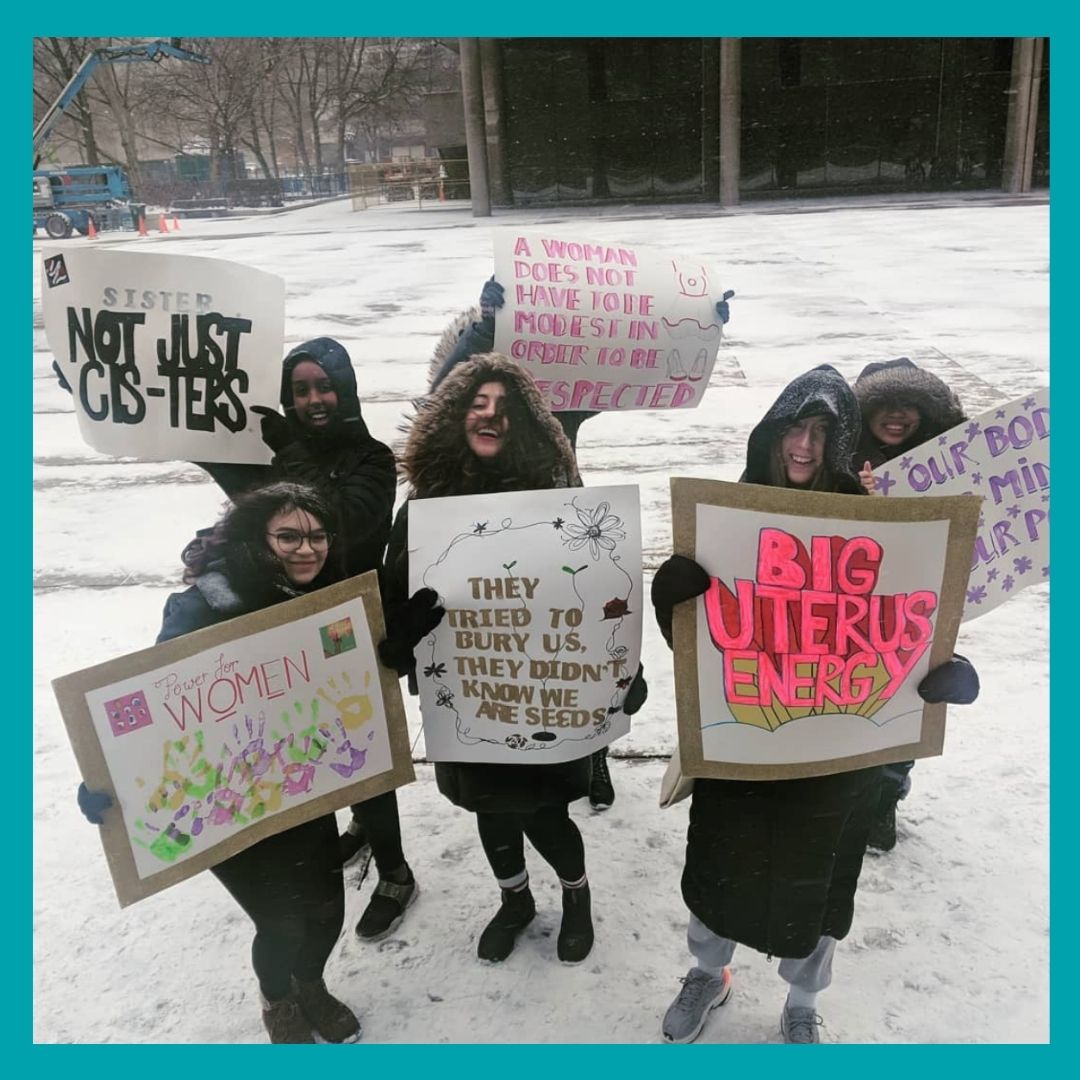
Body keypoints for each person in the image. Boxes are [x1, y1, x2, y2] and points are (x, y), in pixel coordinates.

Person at [650, 365, 980, 1044]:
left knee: (821, 889)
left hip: (835, 757)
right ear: (769, 435)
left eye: (822, 433)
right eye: (793, 428)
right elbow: (702, 657)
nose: (804, 445)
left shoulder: (876, 524)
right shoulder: (728, 516)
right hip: (745, 744)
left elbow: (910, 628)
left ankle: (803, 998)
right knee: (720, 873)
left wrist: (954, 675)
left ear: (841, 444)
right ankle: (708, 974)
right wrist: (670, 602)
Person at [377, 352, 646, 965]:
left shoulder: (559, 500)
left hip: (547, 693)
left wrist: (627, 673)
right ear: (454, 417)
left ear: (525, 422)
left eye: (505, 406)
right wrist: (403, 631)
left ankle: (576, 897)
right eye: (476, 403)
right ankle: (515, 899)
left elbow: (605, 592)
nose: (490, 415)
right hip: (470, 696)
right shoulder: (421, 510)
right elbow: (391, 603)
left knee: (547, 813)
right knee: (490, 810)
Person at [427, 279, 732, 811]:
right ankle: (502, 754)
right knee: (508, 660)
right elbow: (444, 394)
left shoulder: (550, 403)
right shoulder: (458, 412)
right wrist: (482, 330)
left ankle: (594, 757)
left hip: (561, 539)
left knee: (577, 651)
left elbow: (625, 362)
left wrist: (697, 325)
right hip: (482, 548)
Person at [76, 482, 362, 1043]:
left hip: (299, 786)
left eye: (318, 535)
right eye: (289, 536)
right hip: (227, 799)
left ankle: (311, 983)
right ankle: (278, 999)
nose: (307, 549)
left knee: (327, 911)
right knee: (280, 921)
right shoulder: (203, 603)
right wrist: (105, 778)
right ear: (258, 537)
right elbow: (157, 707)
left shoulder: (331, 598)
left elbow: (353, 678)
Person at [192, 336, 416, 939]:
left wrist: (285, 454)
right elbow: (237, 493)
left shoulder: (372, 458)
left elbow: (333, 520)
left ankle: (395, 873)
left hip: (353, 630)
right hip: (289, 629)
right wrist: (126, 402)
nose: (315, 399)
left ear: (345, 389)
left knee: (361, 754)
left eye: (325, 386)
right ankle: (364, 831)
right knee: (317, 745)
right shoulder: (279, 455)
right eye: (301, 390)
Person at [851, 357, 968, 851]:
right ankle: (853, 795)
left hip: (920, 609)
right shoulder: (841, 458)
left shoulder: (949, 464)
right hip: (855, 607)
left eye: (910, 406)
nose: (897, 415)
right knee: (857, 699)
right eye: (885, 405)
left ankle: (886, 800)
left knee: (910, 701)